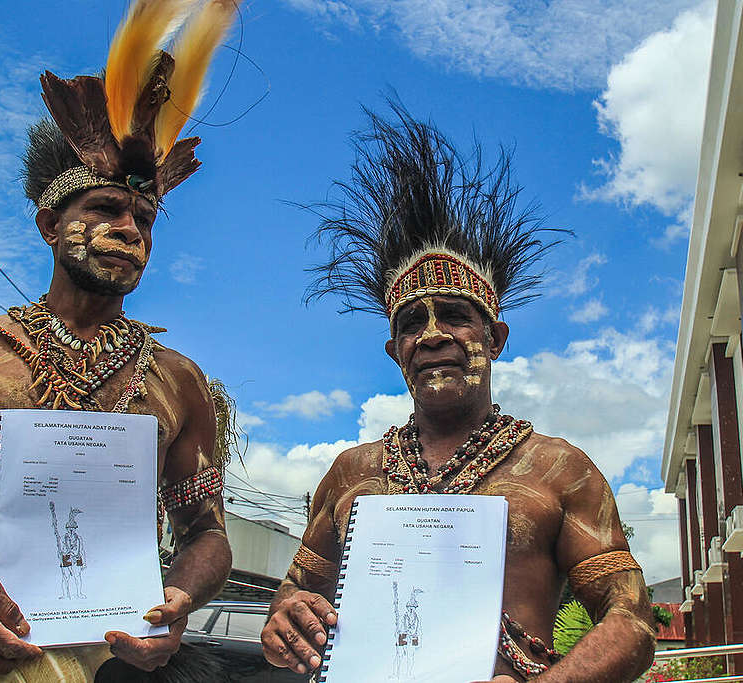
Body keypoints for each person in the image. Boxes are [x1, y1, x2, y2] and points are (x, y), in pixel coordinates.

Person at [0, 1, 239, 680]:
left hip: (119, 656)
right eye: (105, 209)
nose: (130, 228)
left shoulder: (180, 382)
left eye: (145, 217)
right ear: (46, 225)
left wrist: (180, 597)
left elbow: (205, 532)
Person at [261, 102, 657, 682]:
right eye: (410, 325)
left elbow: (632, 620)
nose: (431, 336)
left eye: (454, 316)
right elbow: (295, 594)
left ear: (494, 338)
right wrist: (285, 620)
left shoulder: (558, 470)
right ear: (395, 352)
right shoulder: (352, 473)